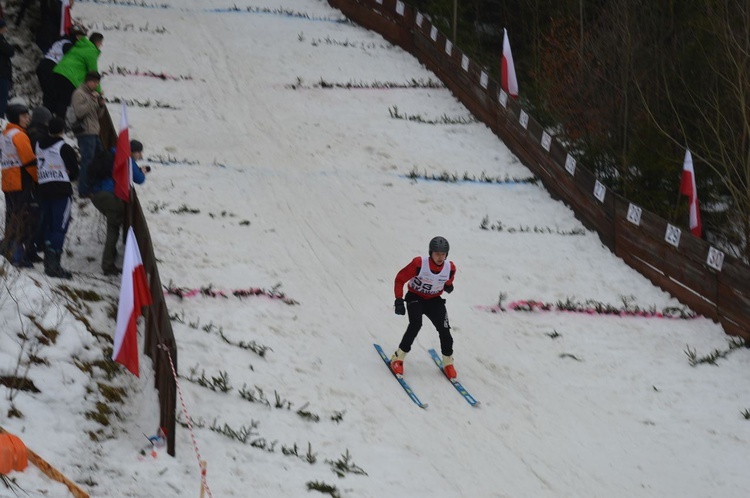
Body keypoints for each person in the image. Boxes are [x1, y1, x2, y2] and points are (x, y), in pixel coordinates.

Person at [390, 236, 458, 378]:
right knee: (415, 324)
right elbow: (400, 279)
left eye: (443, 254)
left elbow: (448, 280)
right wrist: (398, 300)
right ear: (430, 253)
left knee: (445, 330)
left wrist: (449, 286)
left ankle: (448, 362)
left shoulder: (450, 268)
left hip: (434, 300)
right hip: (415, 297)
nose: (440, 257)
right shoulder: (419, 263)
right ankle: (398, 358)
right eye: (437, 254)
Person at [90, 145, 146, 275]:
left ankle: (111, 254)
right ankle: (108, 264)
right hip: (110, 196)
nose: (140, 155)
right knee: (113, 229)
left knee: (112, 224)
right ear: (134, 152)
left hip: (96, 194)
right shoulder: (126, 158)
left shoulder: (110, 152)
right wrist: (141, 171)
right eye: (139, 153)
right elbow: (140, 179)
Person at [35, 116, 78, 278]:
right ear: (62, 130)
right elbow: (75, 172)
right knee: (59, 227)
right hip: (61, 190)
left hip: (44, 188)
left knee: (48, 224)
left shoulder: (39, 145)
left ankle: (48, 261)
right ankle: (53, 265)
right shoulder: (64, 147)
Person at [0, 103, 38, 267]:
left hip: (8, 181)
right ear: (16, 117)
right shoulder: (20, 136)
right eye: (24, 116)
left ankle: (8, 250)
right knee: (21, 218)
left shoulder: (5, 134)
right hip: (21, 180)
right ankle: (17, 257)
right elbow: (29, 160)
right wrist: (38, 178)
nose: (27, 118)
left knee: (12, 217)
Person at [51, 31, 102, 118]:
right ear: (97, 42)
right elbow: (93, 73)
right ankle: (59, 126)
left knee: (54, 100)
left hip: (58, 71)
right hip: (70, 76)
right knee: (63, 102)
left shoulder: (80, 46)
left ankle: (50, 122)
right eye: (101, 43)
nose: (101, 45)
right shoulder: (92, 51)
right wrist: (98, 91)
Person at [70, 70, 104, 196]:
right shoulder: (79, 93)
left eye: (97, 82)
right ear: (88, 81)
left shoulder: (91, 94)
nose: (96, 85)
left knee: (99, 158)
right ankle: (84, 190)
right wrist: (92, 100)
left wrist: (100, 105)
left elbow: (98, 115)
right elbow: (79, 112)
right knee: (87, 160)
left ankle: (94, 184)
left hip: (94, 131)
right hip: (85, 131)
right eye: (94, 82)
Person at [36, 26, 84, 111]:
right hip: (49, 67)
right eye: (81, 37)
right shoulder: (68, 44)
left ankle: (47, 114)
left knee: (49, 94)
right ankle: (47, 116)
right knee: (51, 95)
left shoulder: (61, 40)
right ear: (77, 36)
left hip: (43, 65)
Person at [0, 18, 15, 118]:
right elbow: (10, 51)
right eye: (4, 27)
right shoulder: (1, 40)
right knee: (2, 100)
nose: (6, 29)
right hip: (2, 75)